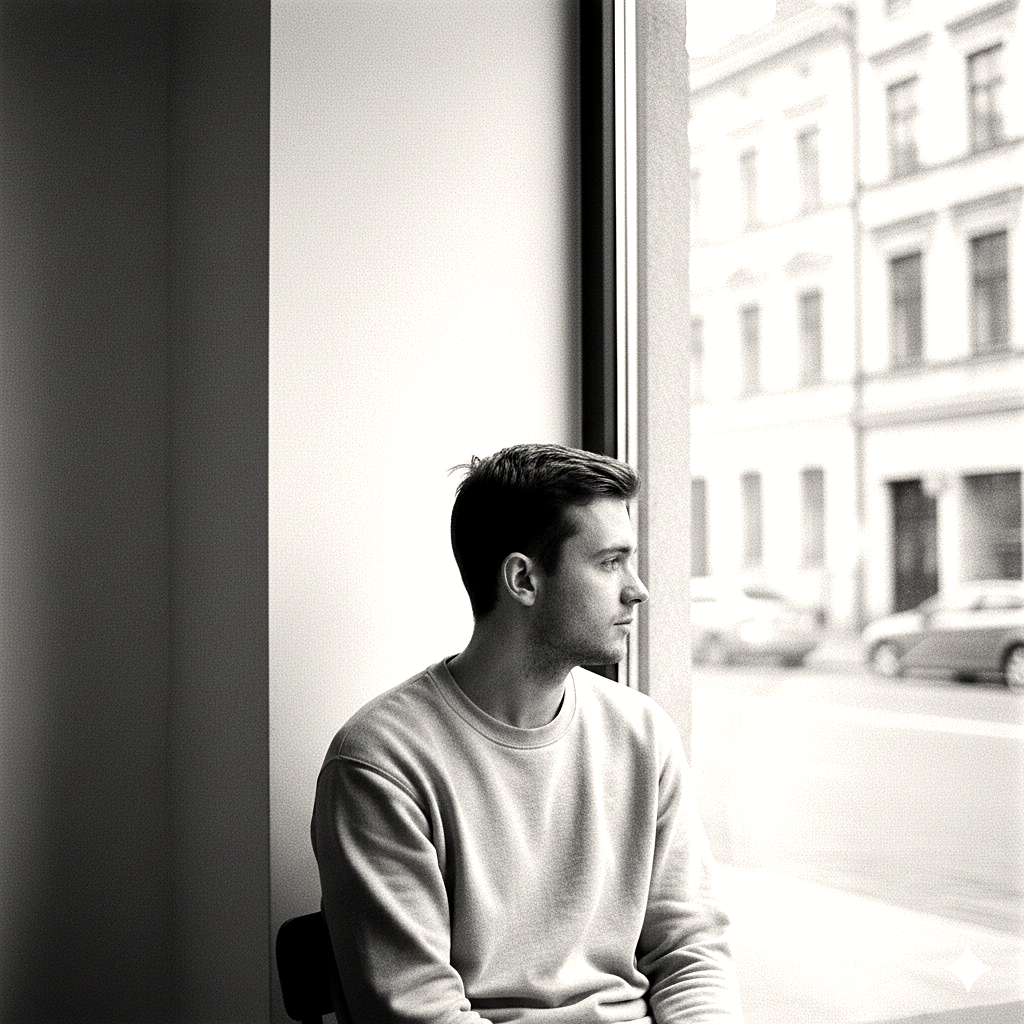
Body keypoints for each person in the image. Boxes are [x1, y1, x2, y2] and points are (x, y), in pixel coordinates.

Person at [312, 443, 744, 1023]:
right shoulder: (382, 764)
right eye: (610, 562)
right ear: (522, 578)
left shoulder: (643, 735)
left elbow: (693, 953)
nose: (637, 589)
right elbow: (420, 1014)